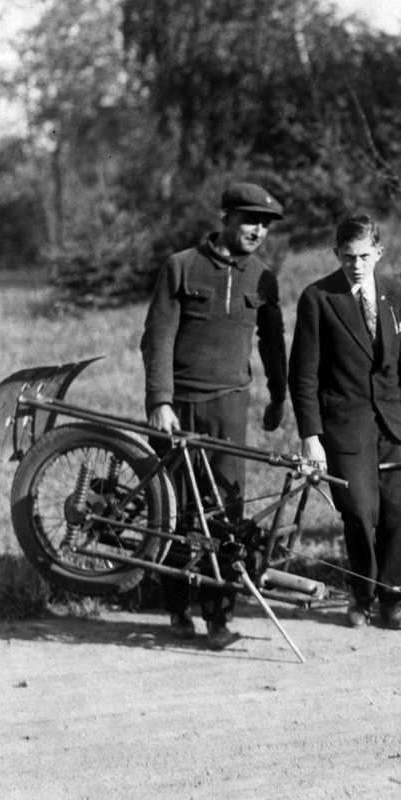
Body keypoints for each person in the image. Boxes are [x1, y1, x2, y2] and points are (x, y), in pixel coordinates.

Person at [140, 181, 288, 650]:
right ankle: (177, 608)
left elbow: (272, 342)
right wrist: (160, 401)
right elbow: (157, 337)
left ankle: (219, 618)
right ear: (225, 217)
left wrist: (278, 396)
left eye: (265, 224)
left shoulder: (263, 278)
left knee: (226, 511)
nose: (258, 230)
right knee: (176, 507)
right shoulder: (181, 266)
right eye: (249, 220)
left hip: (229, 404)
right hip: (179, 405)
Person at [289, 213, 401, 629]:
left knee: (400, 511)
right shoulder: (318, 298)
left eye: (364, 256)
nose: (356, 264)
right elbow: (304, 374)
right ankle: (362, 596)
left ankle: (394, 600)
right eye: (348, 256)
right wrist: (311, 436)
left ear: (379, 253)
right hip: (344, 425)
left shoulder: (396, 294)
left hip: (392, 423)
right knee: (361, 512)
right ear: (336, 254)